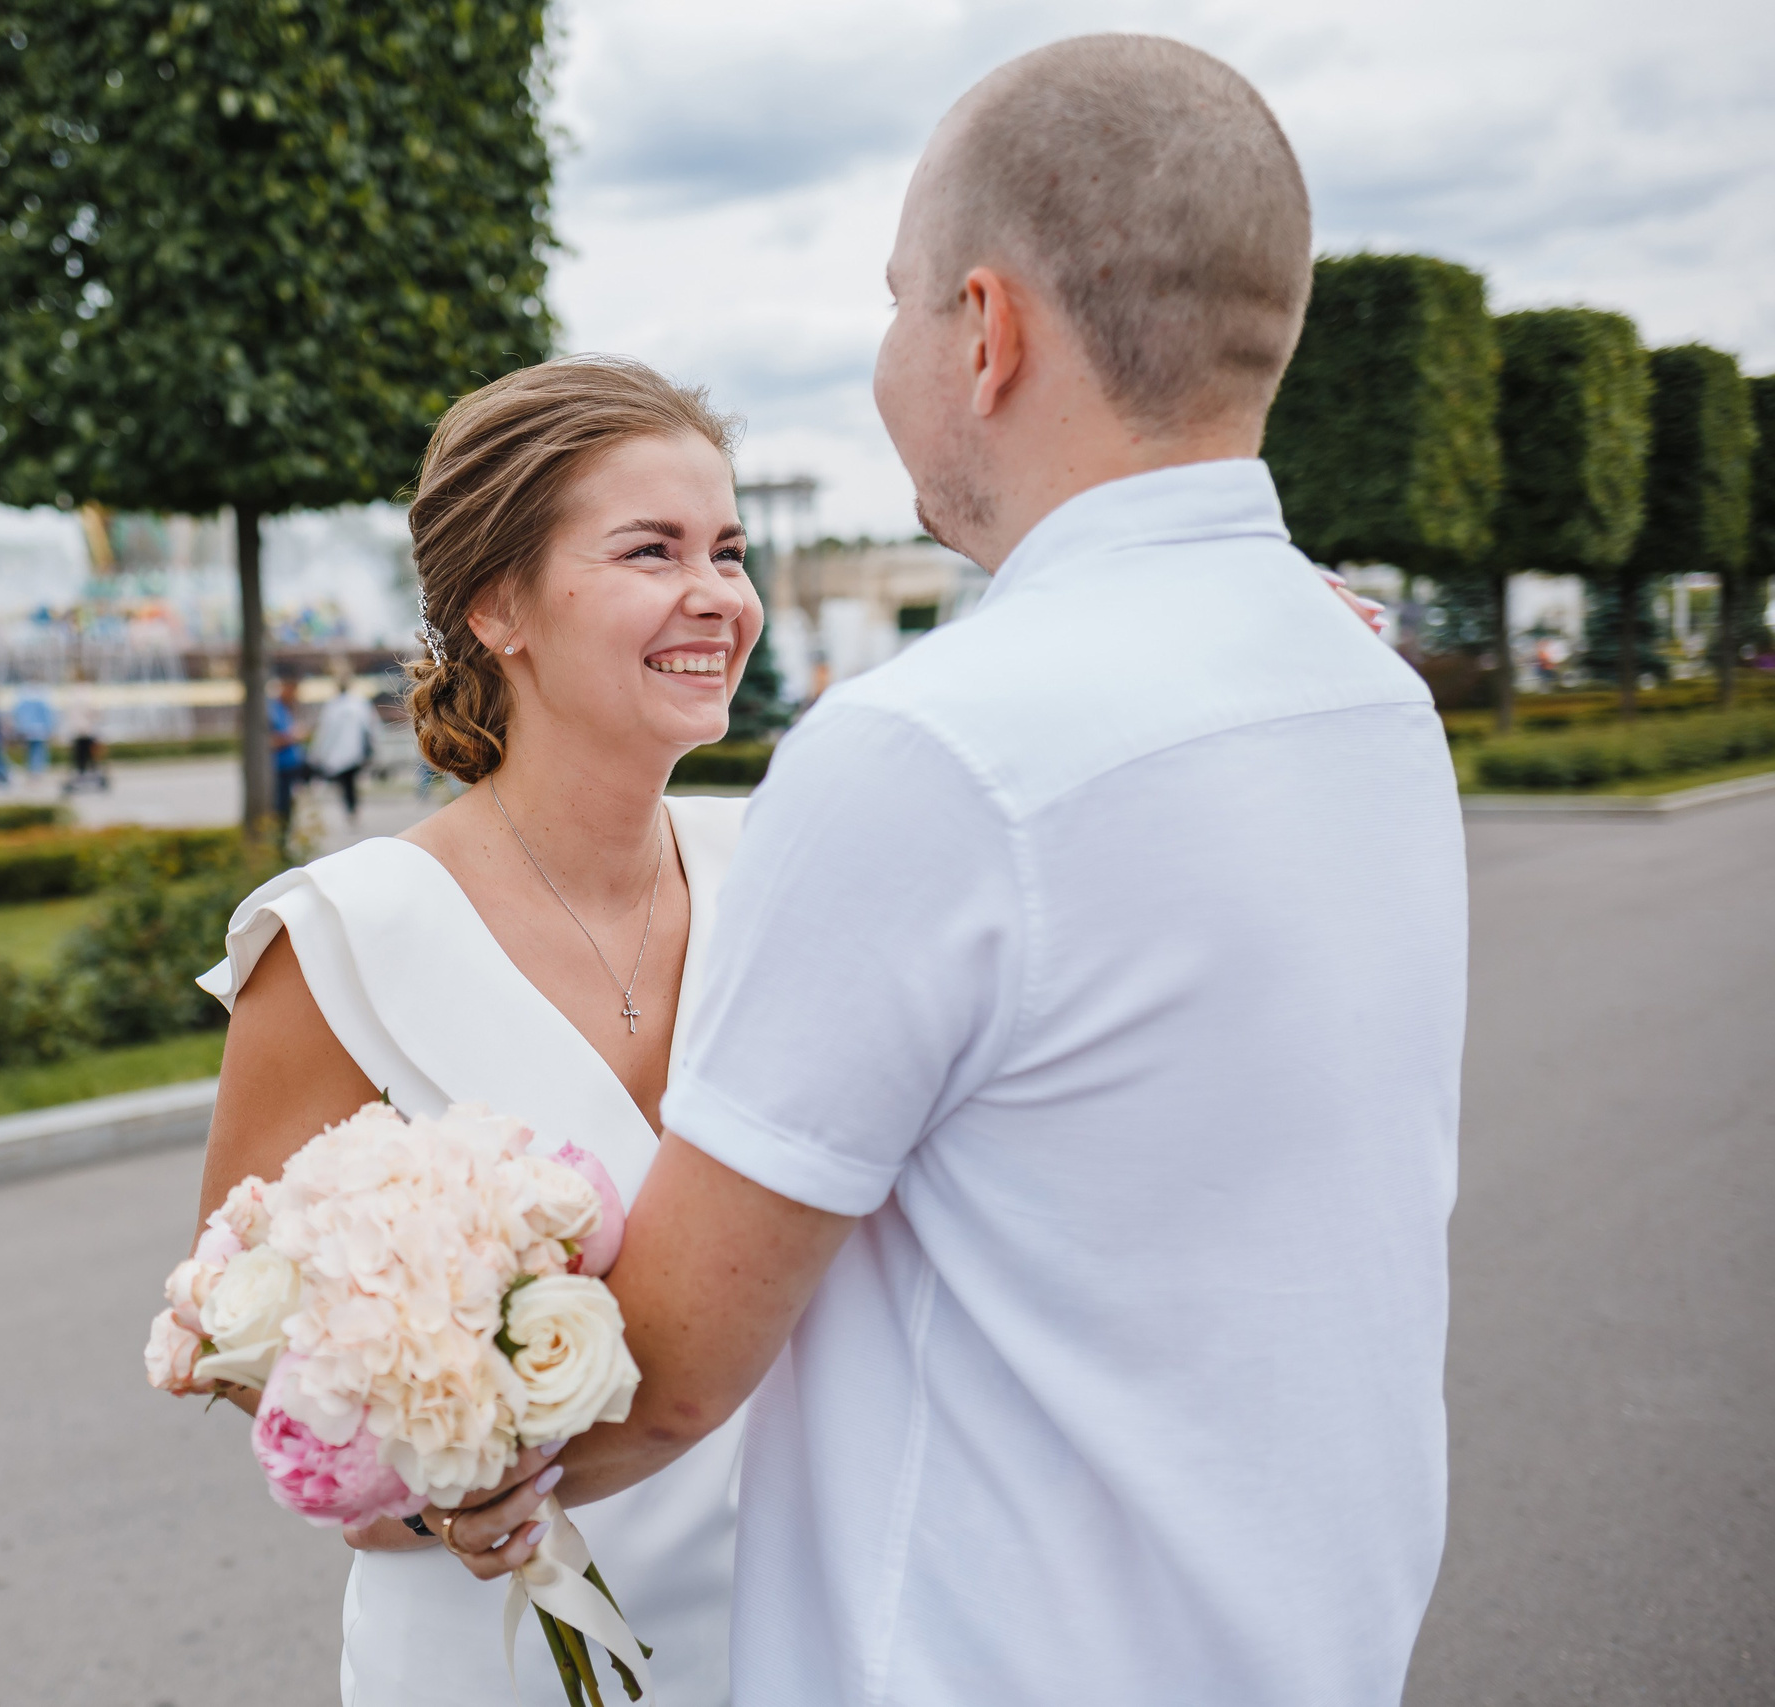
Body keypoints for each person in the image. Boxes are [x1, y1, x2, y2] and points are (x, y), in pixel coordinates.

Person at [434, 37, 1468, 1707]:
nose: (889, 349)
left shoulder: (934, 752)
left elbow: (675, 1366)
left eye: (900, 297)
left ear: (985, 332)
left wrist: (413, 1418)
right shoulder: (1369, 693)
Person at [192, 356, 764, 1705]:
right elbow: (239, 1331)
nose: (719, 595)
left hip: (796, 1627)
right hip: (500, 1652)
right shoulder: (343, 934)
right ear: (500, 605)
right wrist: (428, 1487)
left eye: (729, 550)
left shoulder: (779, 868)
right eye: (652, 549)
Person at [306, 668, 382, 823]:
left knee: (345, 782)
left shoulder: (334, 706)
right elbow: (372, 727)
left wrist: (317, 752)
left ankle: (350, 808)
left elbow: (324, 732)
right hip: (354, 752)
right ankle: (352, 808)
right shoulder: (359, 703)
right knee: (349, 781)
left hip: (343, 753)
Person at [265, 672, 306, 831]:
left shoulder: (287, 709)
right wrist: (291, 737)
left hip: (291, 767)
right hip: (279, 768)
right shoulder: (273, 710)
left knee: (289, 807)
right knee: (281, 809)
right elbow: (268, 741)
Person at [12, 687, 54, 780]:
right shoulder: (42, 701)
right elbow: (48, 716)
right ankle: (37, 771)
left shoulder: (24, 701)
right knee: (38, 751)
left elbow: (19, 716)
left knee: (31, 751)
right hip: (40, 730)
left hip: (29, 731)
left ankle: (32, 770)